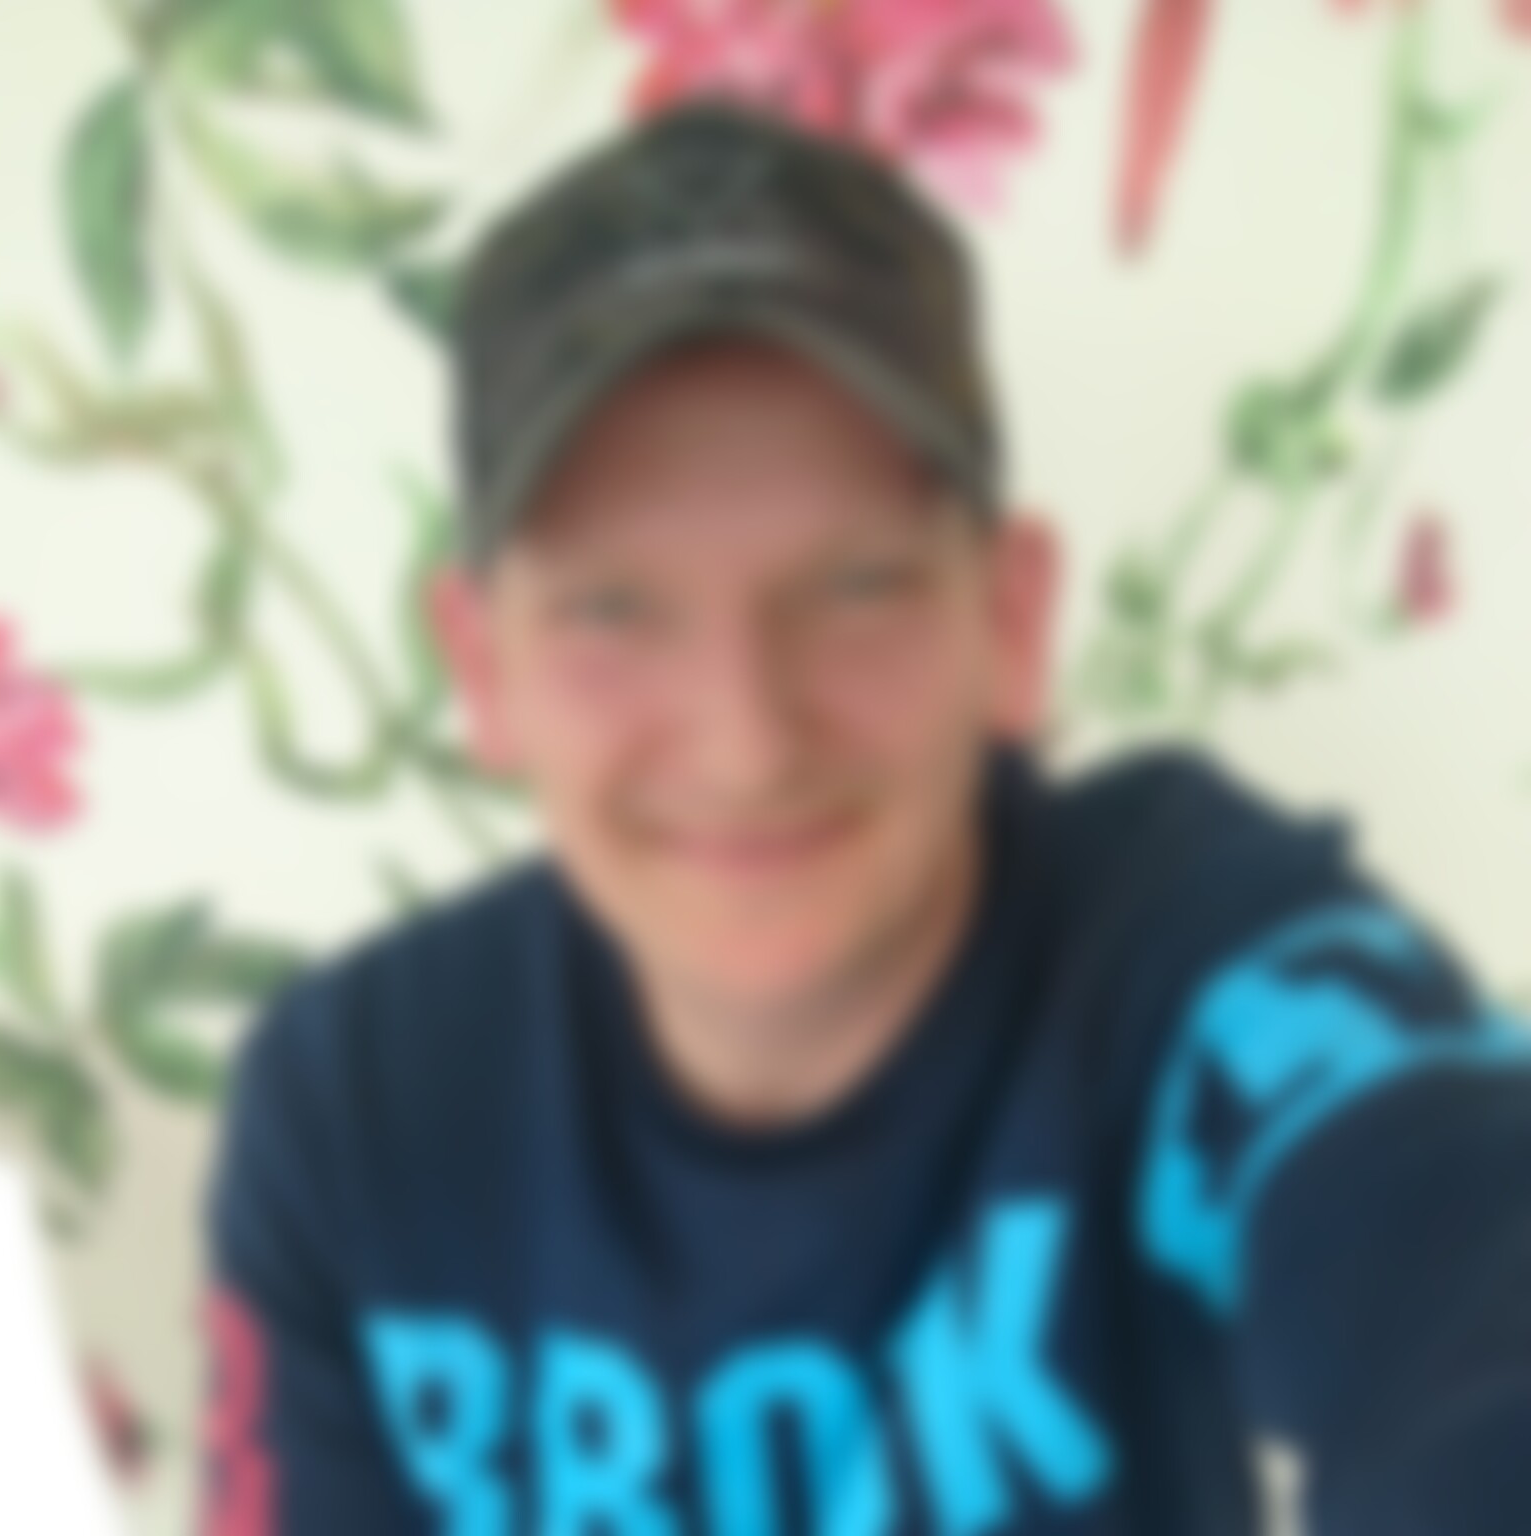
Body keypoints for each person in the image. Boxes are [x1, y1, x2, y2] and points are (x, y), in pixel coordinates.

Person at [200, 99, 1531, 1536]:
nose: (747, 744)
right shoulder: (352, 1111)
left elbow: (1473, 1286)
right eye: (612, 609)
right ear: (482, 669)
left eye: (857, 588)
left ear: (1009, 618)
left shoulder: (1193, 978)